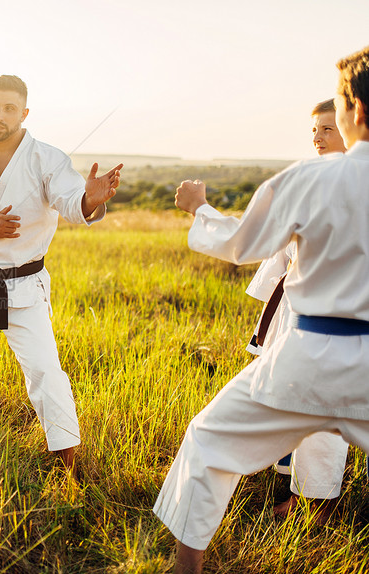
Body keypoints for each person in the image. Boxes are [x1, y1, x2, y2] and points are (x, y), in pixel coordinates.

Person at [153, 45, 369, 574]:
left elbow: (242, 243)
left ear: (354, 111)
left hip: (307, 357)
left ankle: (186, 569)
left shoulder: (311, 178)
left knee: (207, 440)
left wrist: (199, 207)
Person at [0, 75, 122, 470]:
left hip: (21, 286)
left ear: (25, 113)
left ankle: (68, 465)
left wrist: (89, 200)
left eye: (10, 108)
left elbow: (70, 201)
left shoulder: (46, 159)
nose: (0, 115)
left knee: (46, 374)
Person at [244, 98, 348, 521]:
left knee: (322, 411)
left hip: (334, 315)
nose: (317, 137)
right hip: (296, 308)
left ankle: (319, 503)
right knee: (289, 398)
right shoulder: (311, 177)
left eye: (327, 128)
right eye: (315, 129)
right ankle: (297, 487)